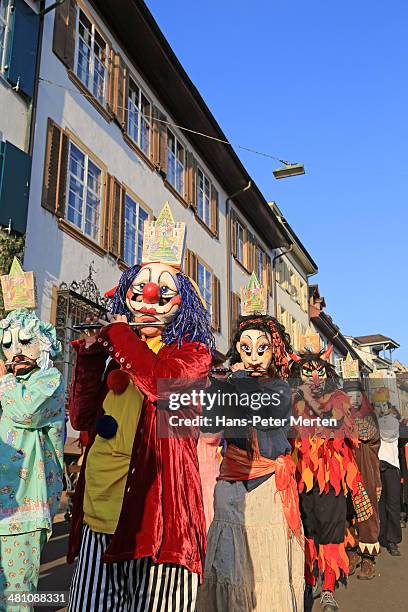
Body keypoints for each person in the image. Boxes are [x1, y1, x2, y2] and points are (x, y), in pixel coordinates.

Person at [67, 204, 214, 611]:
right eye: (140, 291)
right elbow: (80, 417)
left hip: (157, 523)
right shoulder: (118, 351)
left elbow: (159, 385)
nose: (149, 299)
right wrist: (93, 357)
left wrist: (117, 336)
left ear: (182, 305)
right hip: (101, 513)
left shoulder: (192, 353)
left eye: (164, 293)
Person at [197, 307, 304, 611]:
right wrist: (215, 389)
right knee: (229, 566)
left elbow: (263, 413)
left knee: (264, 566)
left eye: (262, 348)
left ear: (276, 351)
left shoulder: (281, 387)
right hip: (232, 485)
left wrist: (237, 381)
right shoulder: (231, 383)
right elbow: (209, 427)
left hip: (266, 488)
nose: (254, 356)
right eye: (245, 348)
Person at [0, 307, 65, 611]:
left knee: (17, 595)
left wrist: (4, 382)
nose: (15, 351)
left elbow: (26, 412)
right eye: (8, 343)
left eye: (25, 342)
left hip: (25, 505)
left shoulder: (49, 379)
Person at [290, 344, 363, 612]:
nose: (315, 377)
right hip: (303, 478)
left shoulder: (338, 398)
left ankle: (329, 588)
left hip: (332, 479)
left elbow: (343, 428)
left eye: (319, 370)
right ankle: (309, 581)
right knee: (308, 530)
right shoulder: (293, 400)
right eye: (308, 372)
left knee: (332, 532)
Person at [343, 379, 381, 580]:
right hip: (347, 472)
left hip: (366, 474)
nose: (353, 399)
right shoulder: (341, 415)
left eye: (357, 395)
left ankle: (368, 559)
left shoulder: (369, 416)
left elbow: (367, 433)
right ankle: (351, 553)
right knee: (348, 513)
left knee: (367, 515)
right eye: (349, 395)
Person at [372, 388, 402, 556]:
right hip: (376, 466)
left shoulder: (392, 420)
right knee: (379, 505)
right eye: (378, 404)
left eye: (383, 404)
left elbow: (388, 436)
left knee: (392, 505)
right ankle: (380, 536)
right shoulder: (374, 419)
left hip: (391, 467)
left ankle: (392, 540)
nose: (381, 407)